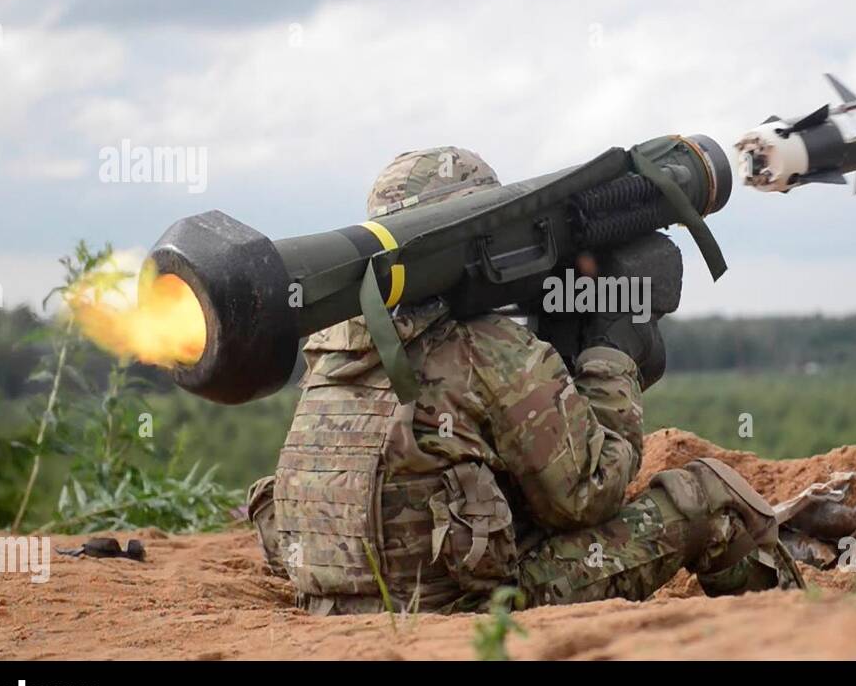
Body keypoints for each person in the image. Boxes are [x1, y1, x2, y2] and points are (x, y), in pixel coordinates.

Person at [247, 146, 802, 615]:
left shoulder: (332, 343)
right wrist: (613, 350)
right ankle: (801, 635)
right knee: (710, 497)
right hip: (462, 615)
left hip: (335, 606)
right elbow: (589, 494)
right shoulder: (484, 347)